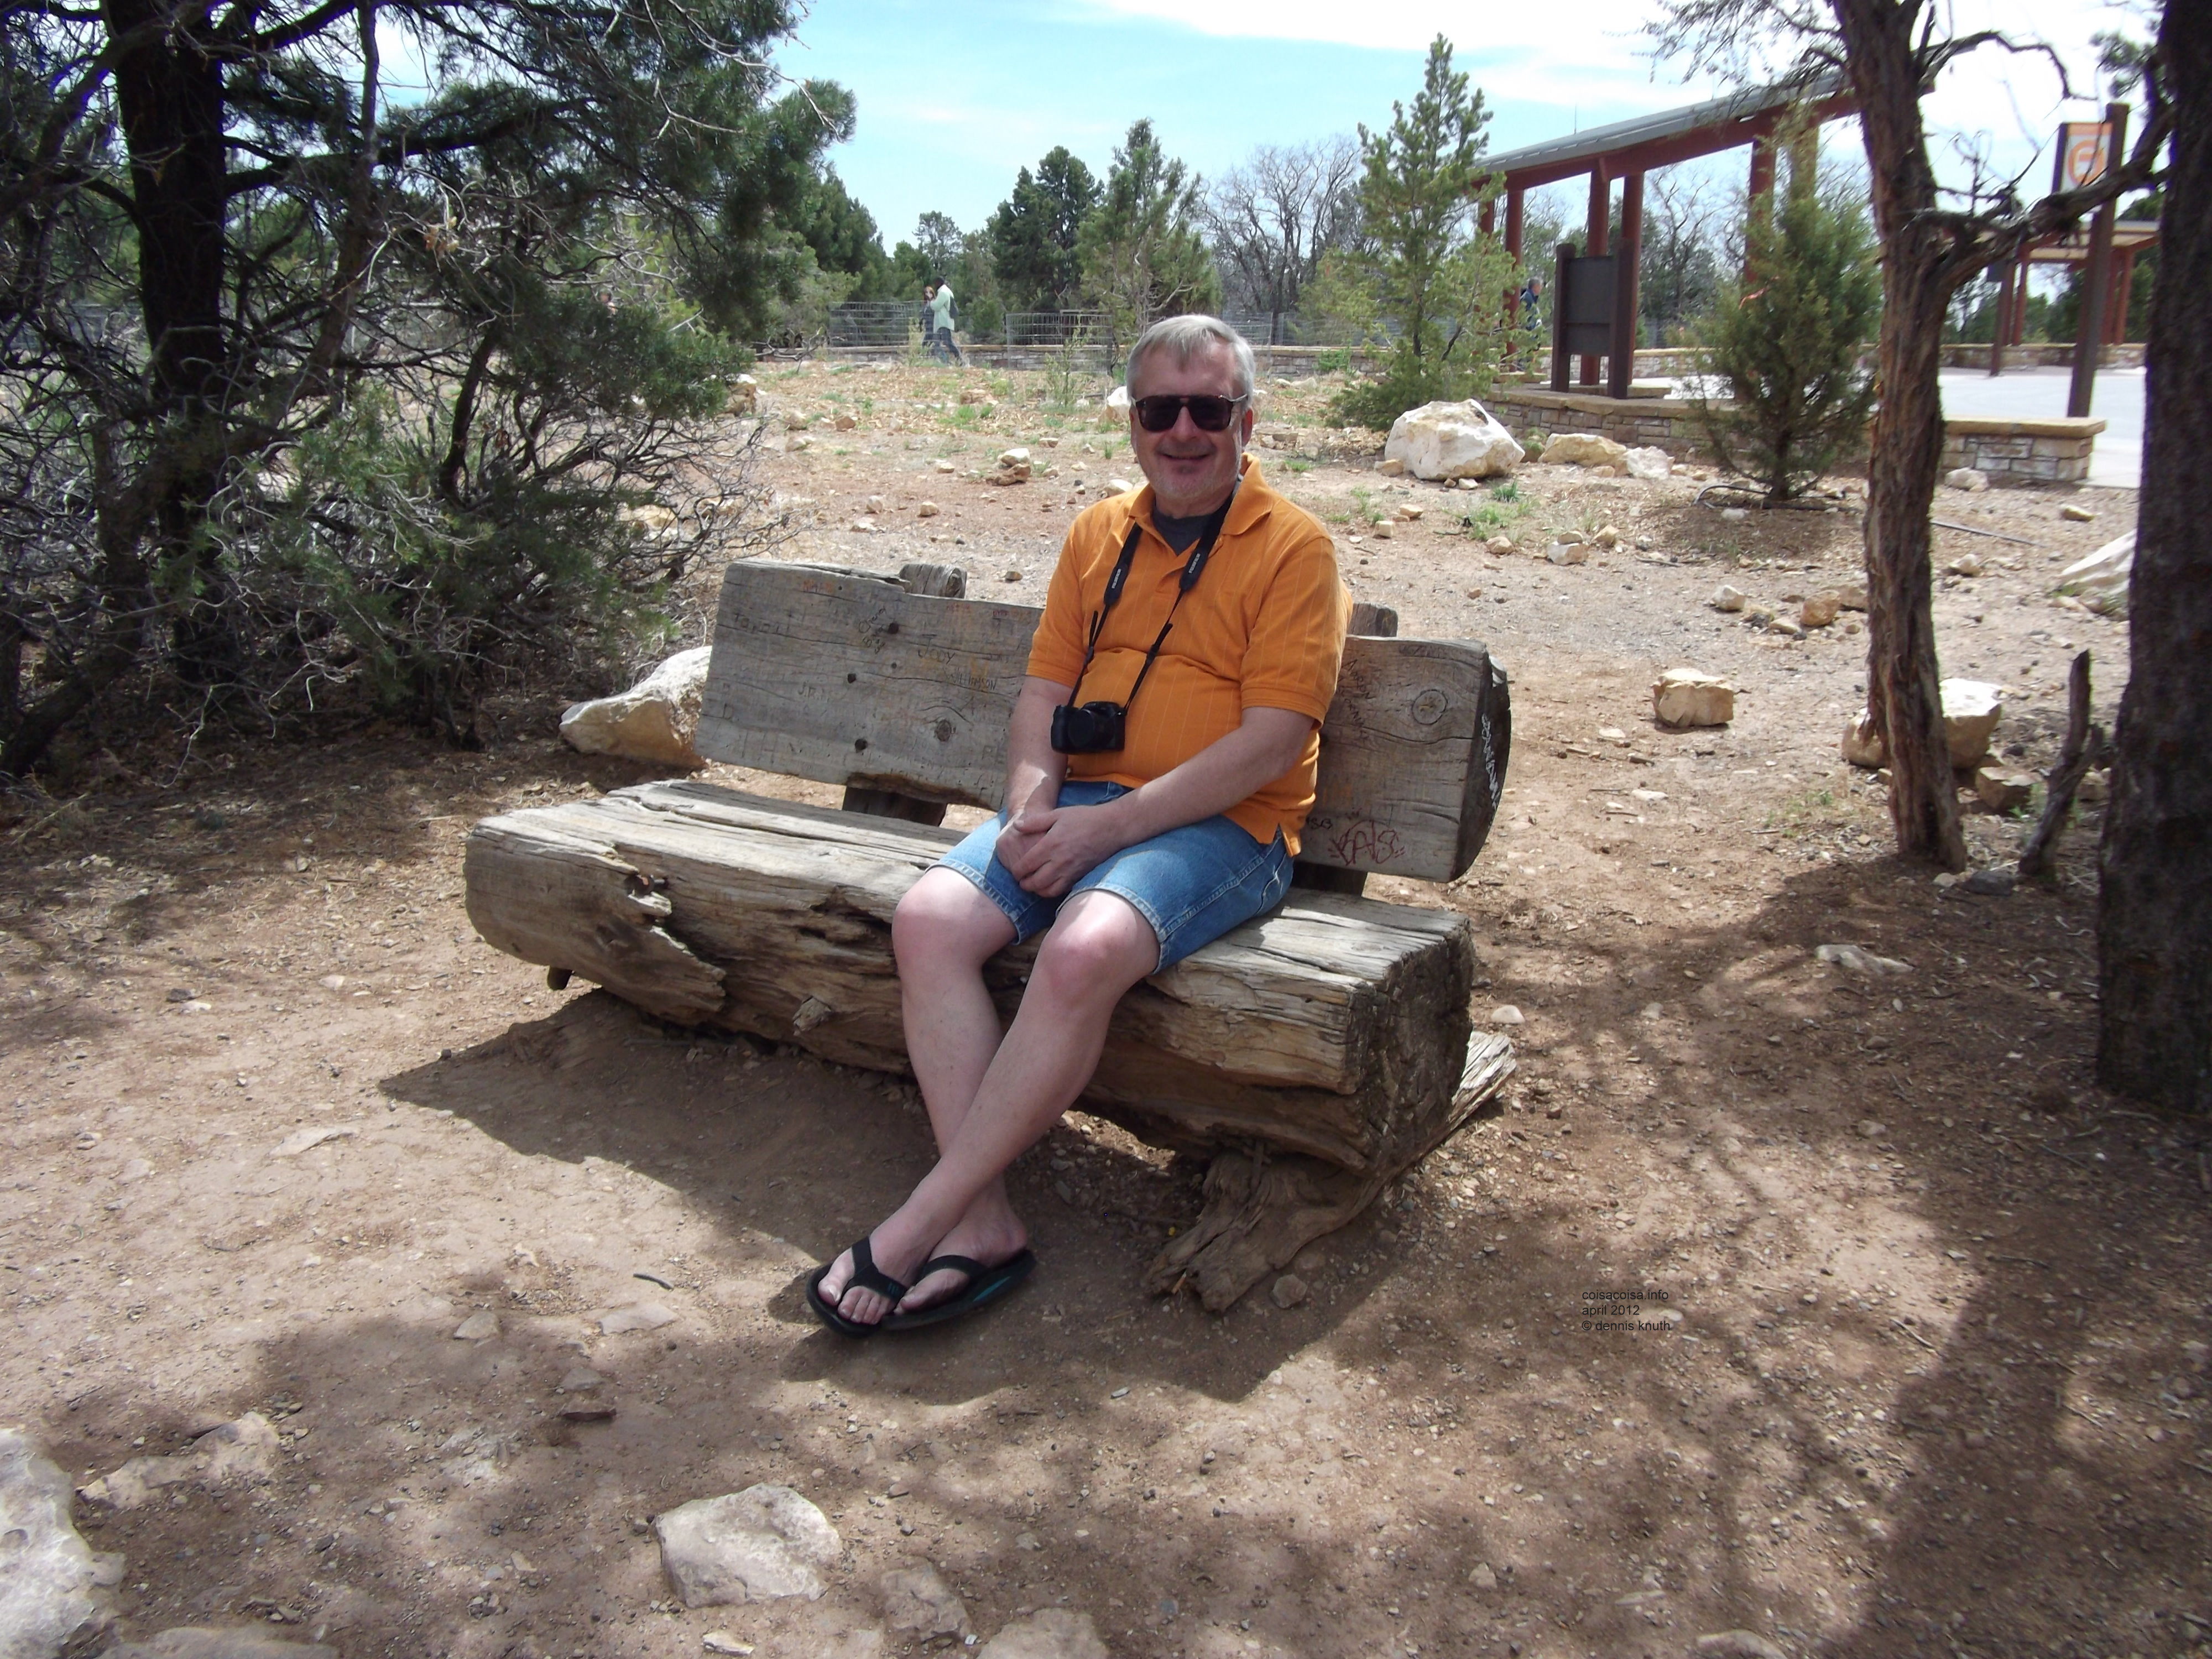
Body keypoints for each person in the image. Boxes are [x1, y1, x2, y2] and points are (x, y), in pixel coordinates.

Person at [806, 314, 1350, 1333]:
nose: (1183, 431)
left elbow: (1274, 741)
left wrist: (1111, 832)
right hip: (1084, 807)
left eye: (1208, 410)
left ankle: (925, 1219)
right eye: (1160, 410)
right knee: (927, 920)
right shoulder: (1099, 534)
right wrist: (1028, 806)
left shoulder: (1293, 551)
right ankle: (986, 1227)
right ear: (1134, 421)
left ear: (1247, 421)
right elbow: (1041, 696)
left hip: (1230, 828)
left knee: (1079, 948)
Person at [925, 276, 963, 363]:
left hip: (943, 322)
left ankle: (958, 360)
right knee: (939, 344)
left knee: (946, 343)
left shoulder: (943, 292)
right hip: (945, 322)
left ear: (938, 283)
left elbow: (937, 306)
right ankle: (953, 361)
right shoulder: (947, 291)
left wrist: (931, 302)